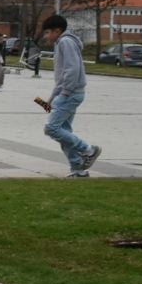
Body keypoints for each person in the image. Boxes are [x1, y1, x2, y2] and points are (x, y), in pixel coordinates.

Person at [33, 15, 102, 178]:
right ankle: (78, 170)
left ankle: (88, 150)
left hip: (70, 94)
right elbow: (62, 75)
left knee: (51, 128)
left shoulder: (65, 42)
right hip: (68, 93)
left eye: (48, 32)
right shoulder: (62, 43)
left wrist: (64, 93)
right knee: (65, 133)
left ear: (58, 31)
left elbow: (72, 69)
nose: (46, 36)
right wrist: (51, 99)